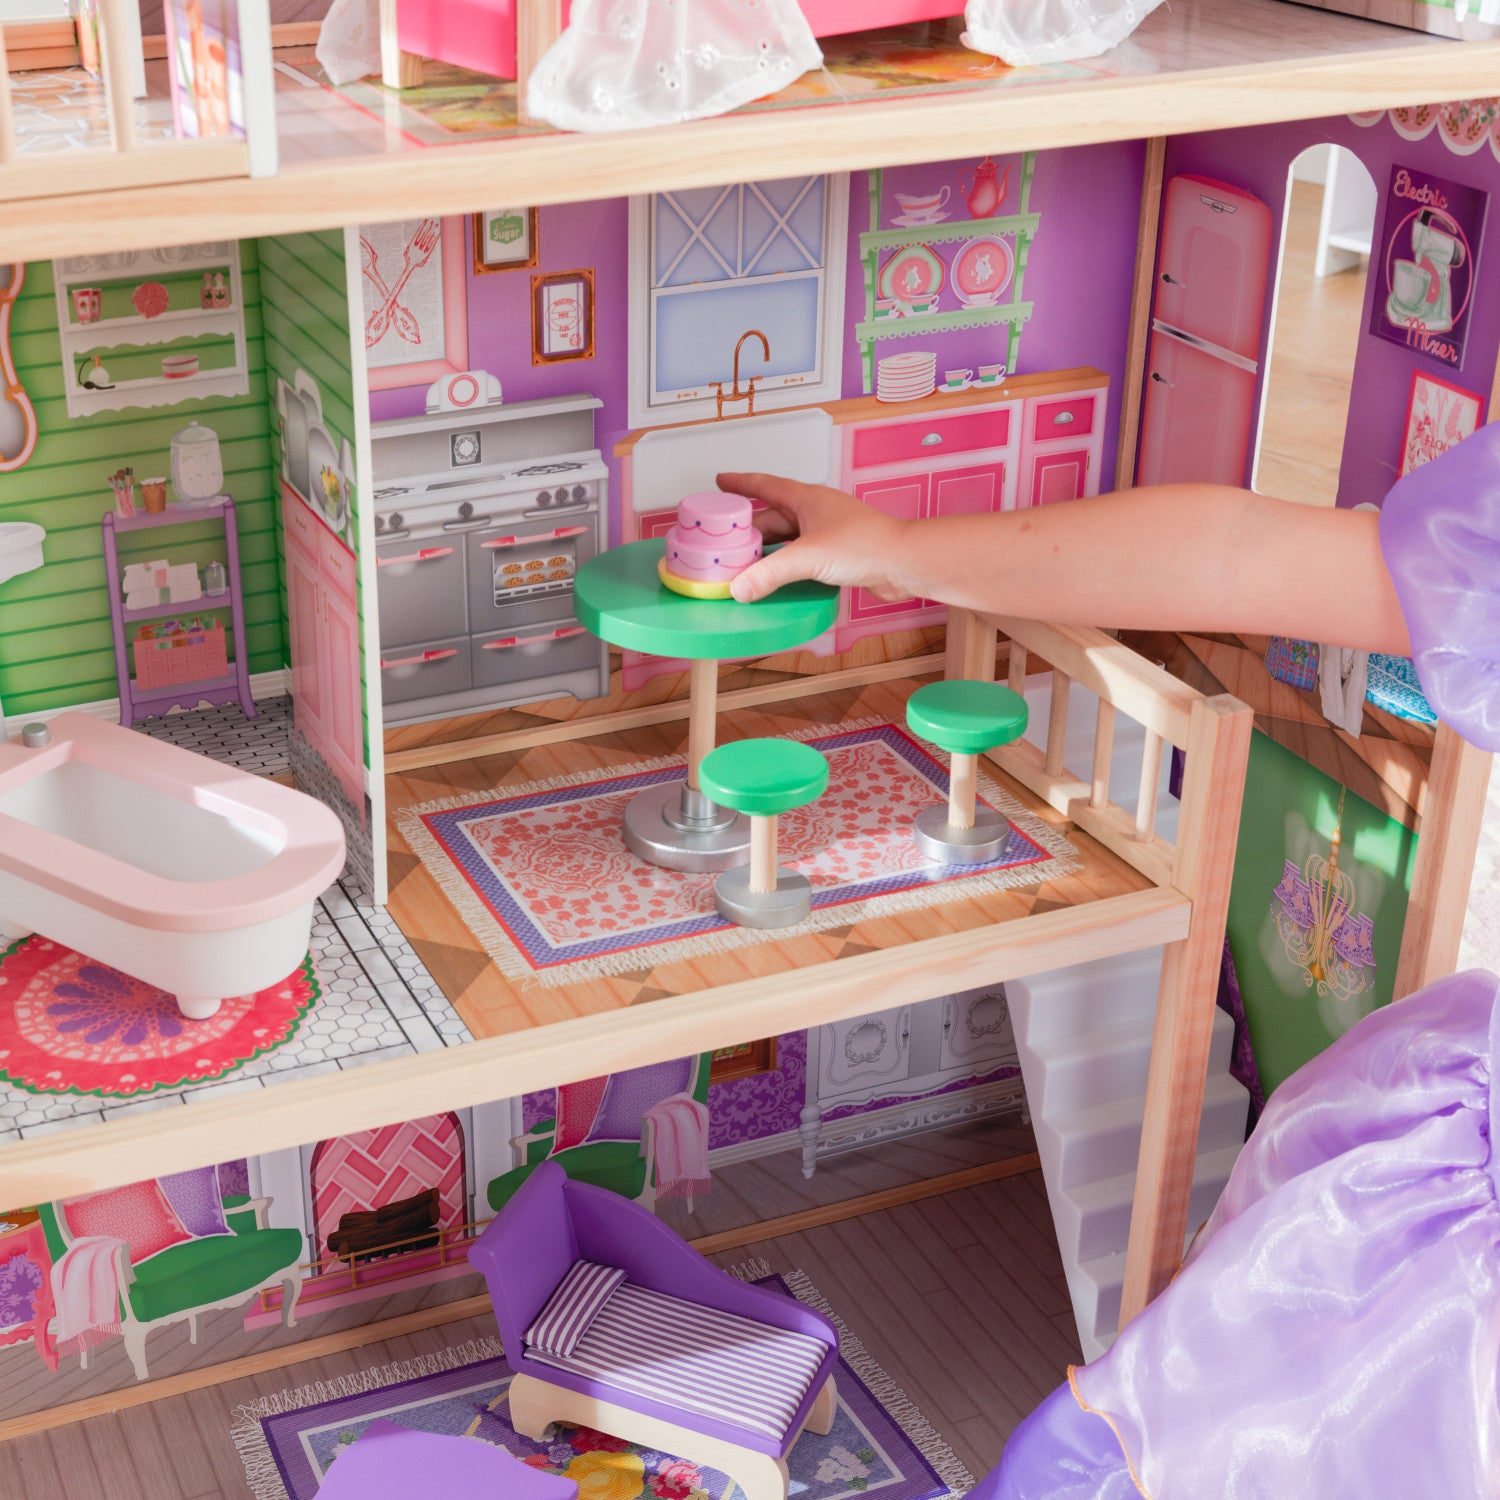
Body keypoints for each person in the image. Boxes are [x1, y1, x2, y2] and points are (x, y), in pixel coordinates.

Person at [717, 419, 1500, 1497]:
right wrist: (897, 547)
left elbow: (1244, 556)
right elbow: (1239, 555)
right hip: (1433, 1215)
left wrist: (898, 548)